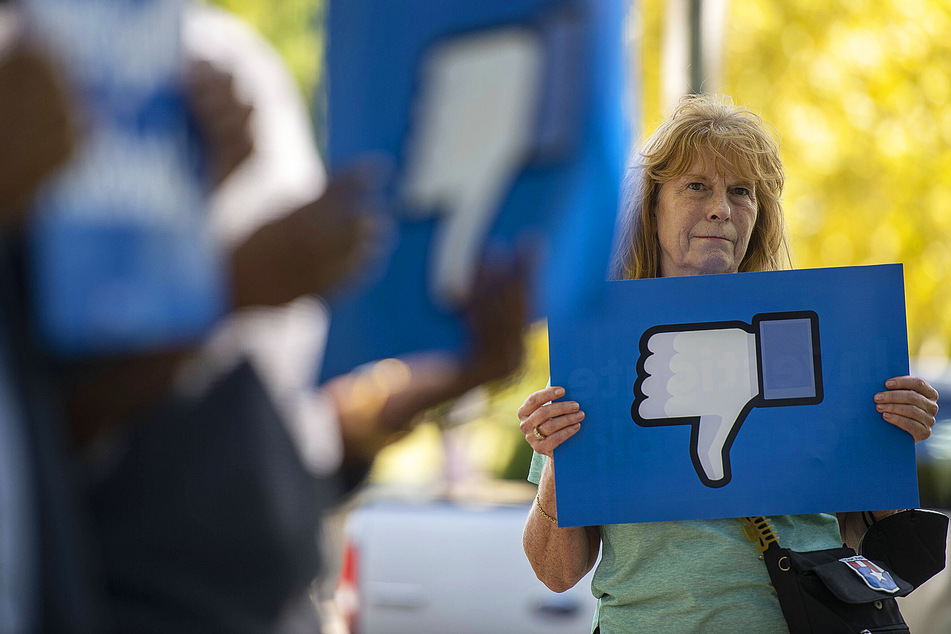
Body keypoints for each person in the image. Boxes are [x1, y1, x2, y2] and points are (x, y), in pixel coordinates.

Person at [517, 93, 940, 633]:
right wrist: (561, 457)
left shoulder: (822, 338)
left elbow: (869, 539)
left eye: (741, 192)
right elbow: (556, 572)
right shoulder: (597, 355)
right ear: (652, 206)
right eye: (697, 186)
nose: (722, 207)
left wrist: (894, 434)